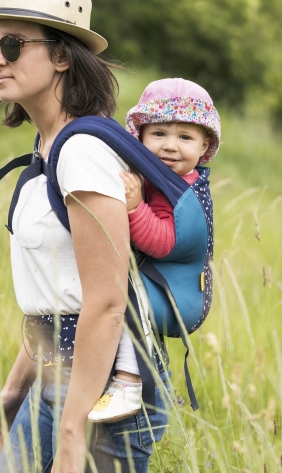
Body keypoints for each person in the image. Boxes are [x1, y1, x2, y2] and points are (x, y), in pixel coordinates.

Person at [0, 0, 170, 473]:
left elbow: (104, 303)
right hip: (57, 374)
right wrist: (15, 389)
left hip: (107, 387)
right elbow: (60, 295)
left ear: (60, 56)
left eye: (11, 44)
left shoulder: (81, 153)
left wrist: (76, 425)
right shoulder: (47, 150)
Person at [87, 78, 221, 424]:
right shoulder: (156, 176)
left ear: (205, 145)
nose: (170, 146)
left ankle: (130, 381)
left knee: (125, 297)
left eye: (185, 137)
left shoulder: (182, 189)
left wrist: (134, 208)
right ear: (141, 137)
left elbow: (164, 242)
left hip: (173, 291)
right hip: (160, 280)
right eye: (158, 134)